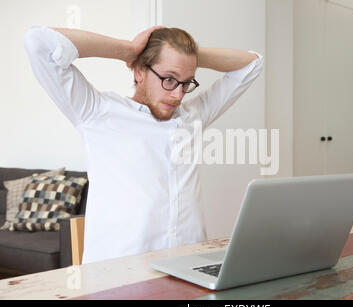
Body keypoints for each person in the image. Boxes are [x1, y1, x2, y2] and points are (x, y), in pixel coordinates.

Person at [24, 25, 263, 264]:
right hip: (117, 277)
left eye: (186, 82)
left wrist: (187, 57)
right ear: (139, 71)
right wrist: (128, 50)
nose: (178, 95)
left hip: (191, 267)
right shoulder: (96, 111)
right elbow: (39, 42)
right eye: (169, 79)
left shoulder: (193, 116)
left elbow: (252, 64)